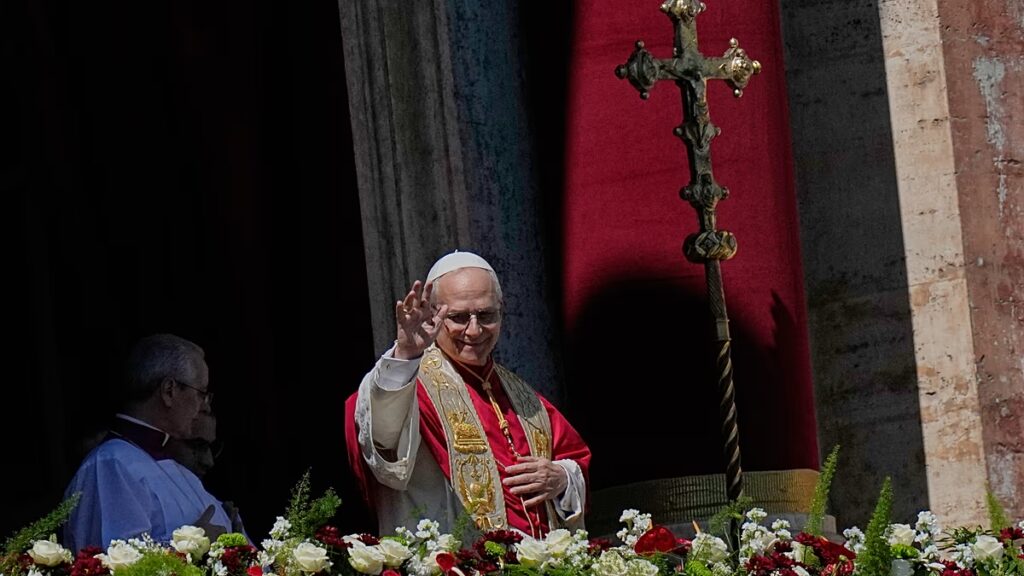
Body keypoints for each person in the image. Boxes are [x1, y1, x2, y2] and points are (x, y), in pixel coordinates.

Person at [345, 251, 591, 538]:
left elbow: (575, 459)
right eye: (459, 317)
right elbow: (382, 442)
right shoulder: (407, 382)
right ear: (434, 315)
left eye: (486, 315)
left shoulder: (524, 398)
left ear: (502, 310)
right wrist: (406, 354)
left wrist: (561, 477)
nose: (474, 331)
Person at [63, 333, 243, 551]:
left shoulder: (182, 473)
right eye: (201, 393)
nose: (204, 406)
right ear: (169, 391)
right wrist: (195, 546)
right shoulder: (110, 464)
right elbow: (111, 561)